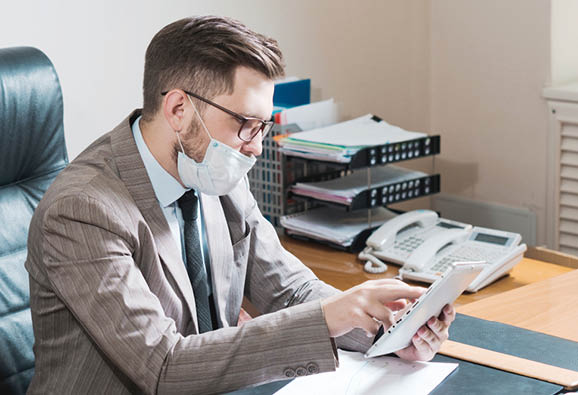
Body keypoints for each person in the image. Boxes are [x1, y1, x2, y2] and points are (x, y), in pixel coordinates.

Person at [25, 15, 455, 394]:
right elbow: (163, 368)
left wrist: (390, 331)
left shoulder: (214, 170)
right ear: (178, 108)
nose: (255, 149)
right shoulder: (83, 210)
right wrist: (329, 318)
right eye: (245, 125)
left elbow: (290, 292)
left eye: (263, 126)